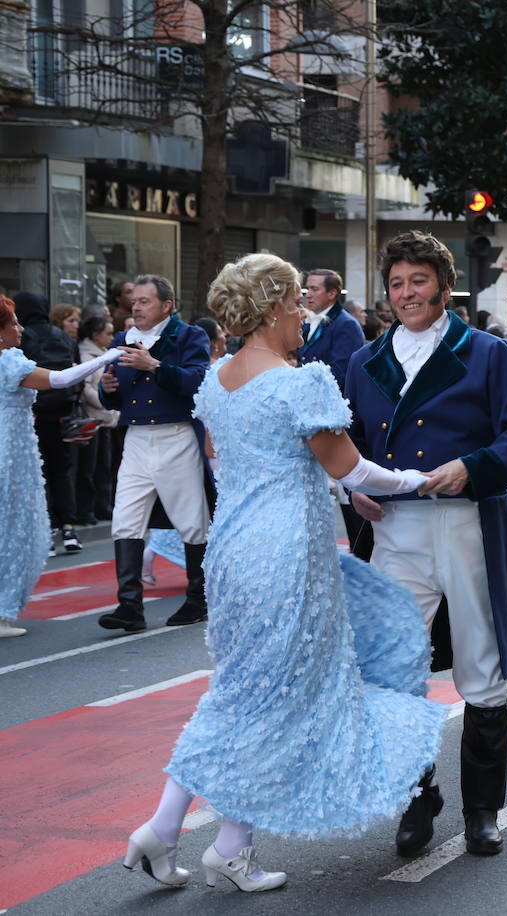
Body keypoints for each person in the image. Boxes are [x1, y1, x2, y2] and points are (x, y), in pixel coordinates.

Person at [119, 253, 446, 893]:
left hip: (233, 549)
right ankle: (199, 838)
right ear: (272, 309)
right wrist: (420, 479)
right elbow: (351, 470)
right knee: (273, 696)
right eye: (298, 302)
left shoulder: (217, 379)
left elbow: (225, 460)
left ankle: (201, 837)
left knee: (248, 693)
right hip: (287, 554)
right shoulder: (303, 383)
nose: (304, 313)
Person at [345, 230, 507, 858]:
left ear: (443, 285)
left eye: (419, 281)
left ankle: (483, 810)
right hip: (393, 530)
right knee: (393, 667)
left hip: (469, 522)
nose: (407, 294)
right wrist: (350, 488)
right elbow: (343, 447)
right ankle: (417, 797)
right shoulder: (362, 361)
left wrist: (476, 465)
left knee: (482, 665)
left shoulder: (489, 353)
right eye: (397, 284)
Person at [96, 275, 214, 631]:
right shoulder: (122, 340)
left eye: (145, 301)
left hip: (176, 434)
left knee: (193, 521)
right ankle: (130, 606)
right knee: (125, 519)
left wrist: (156, 366)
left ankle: (198, 599)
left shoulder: (190, 335)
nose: (136, 307)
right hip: (135, 438)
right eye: (134, 301)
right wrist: (108, 389)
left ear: (166, 305)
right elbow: (114, 398)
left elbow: (198, 382)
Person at [0, 296, 122, 638]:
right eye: (13, 323)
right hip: (11, 453)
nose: (21, 328)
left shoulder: (11, 358)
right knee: (13, 529)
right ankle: (1, 612)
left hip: (15, 448)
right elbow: (60, 379)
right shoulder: (9, 362)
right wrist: (112, 355)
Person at [15, 292, 82, 553]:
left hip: (33, 415)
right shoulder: (62, 336)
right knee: (62, 472)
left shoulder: (22, 337)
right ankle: (68, 528)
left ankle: (47, 530)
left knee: (37, 474)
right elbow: (75, 372)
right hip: (62, 415)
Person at [75, 314, 120, 524]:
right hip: (94, 419)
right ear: (95, 335)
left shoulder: (103, 353)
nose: (111, 337)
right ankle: (89, 509)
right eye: (108, 333)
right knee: (90, 468)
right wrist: (106, 401)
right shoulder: (87, 356)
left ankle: (103, 506)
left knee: (105, 466)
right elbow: (87, 388)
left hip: (106, 419)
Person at [299, 268, 365, 393]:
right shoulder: (307, 320)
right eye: (307, 289)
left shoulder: (347, 325)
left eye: (314, 289)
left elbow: (340, 374)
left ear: (332, 294)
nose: (308, 294)